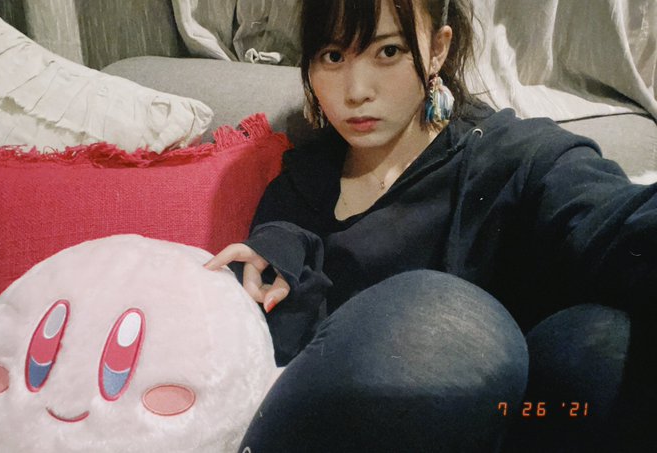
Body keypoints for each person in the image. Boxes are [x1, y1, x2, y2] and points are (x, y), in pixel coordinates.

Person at [204, 0, 657, 451]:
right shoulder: (301, 184)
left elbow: (616, 220)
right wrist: (273, 266)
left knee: (601, 343)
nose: (356, 91)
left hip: (513, 427)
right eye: (333, 56)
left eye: (388, 51)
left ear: (438, 49)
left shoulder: (513, 159)